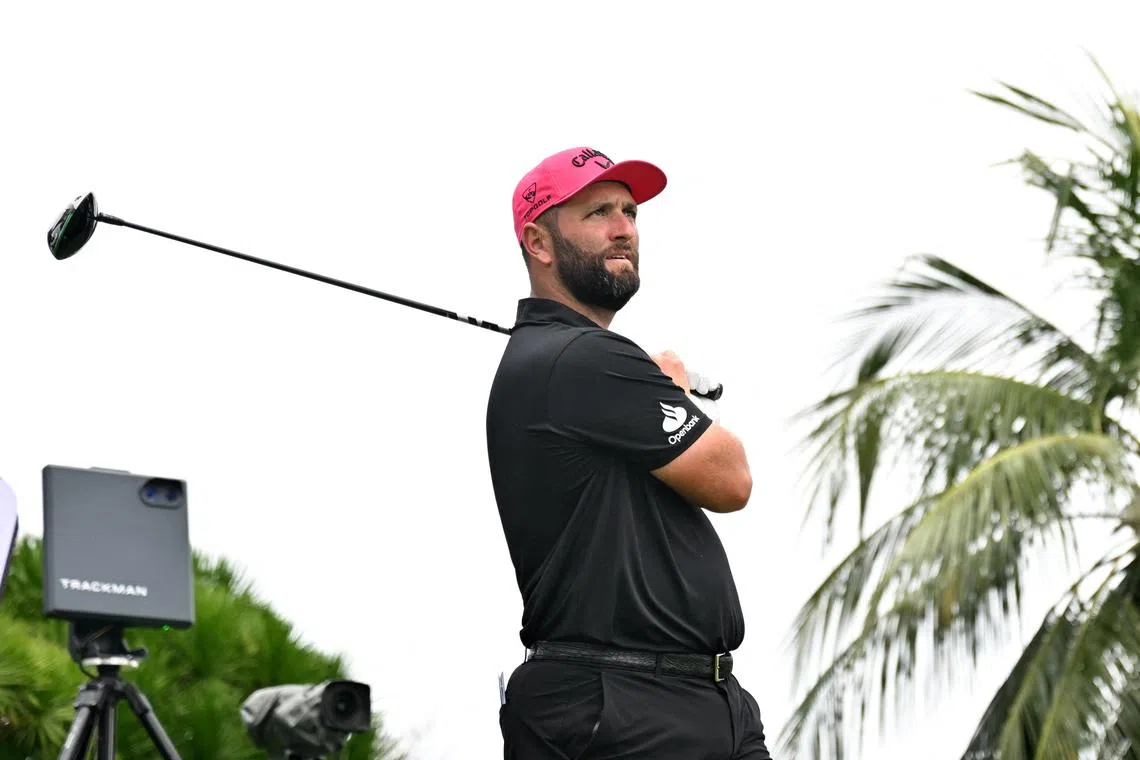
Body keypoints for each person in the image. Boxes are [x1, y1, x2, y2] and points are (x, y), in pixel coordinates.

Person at [485, 146, 774, 759]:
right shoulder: (583, 360)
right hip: (624, 710)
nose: (624, 230)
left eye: (630, 212)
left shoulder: (570, 361)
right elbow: (732, 479)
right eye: (597, 214)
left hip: (700, 702)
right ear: (539, 243)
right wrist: (666, 389)